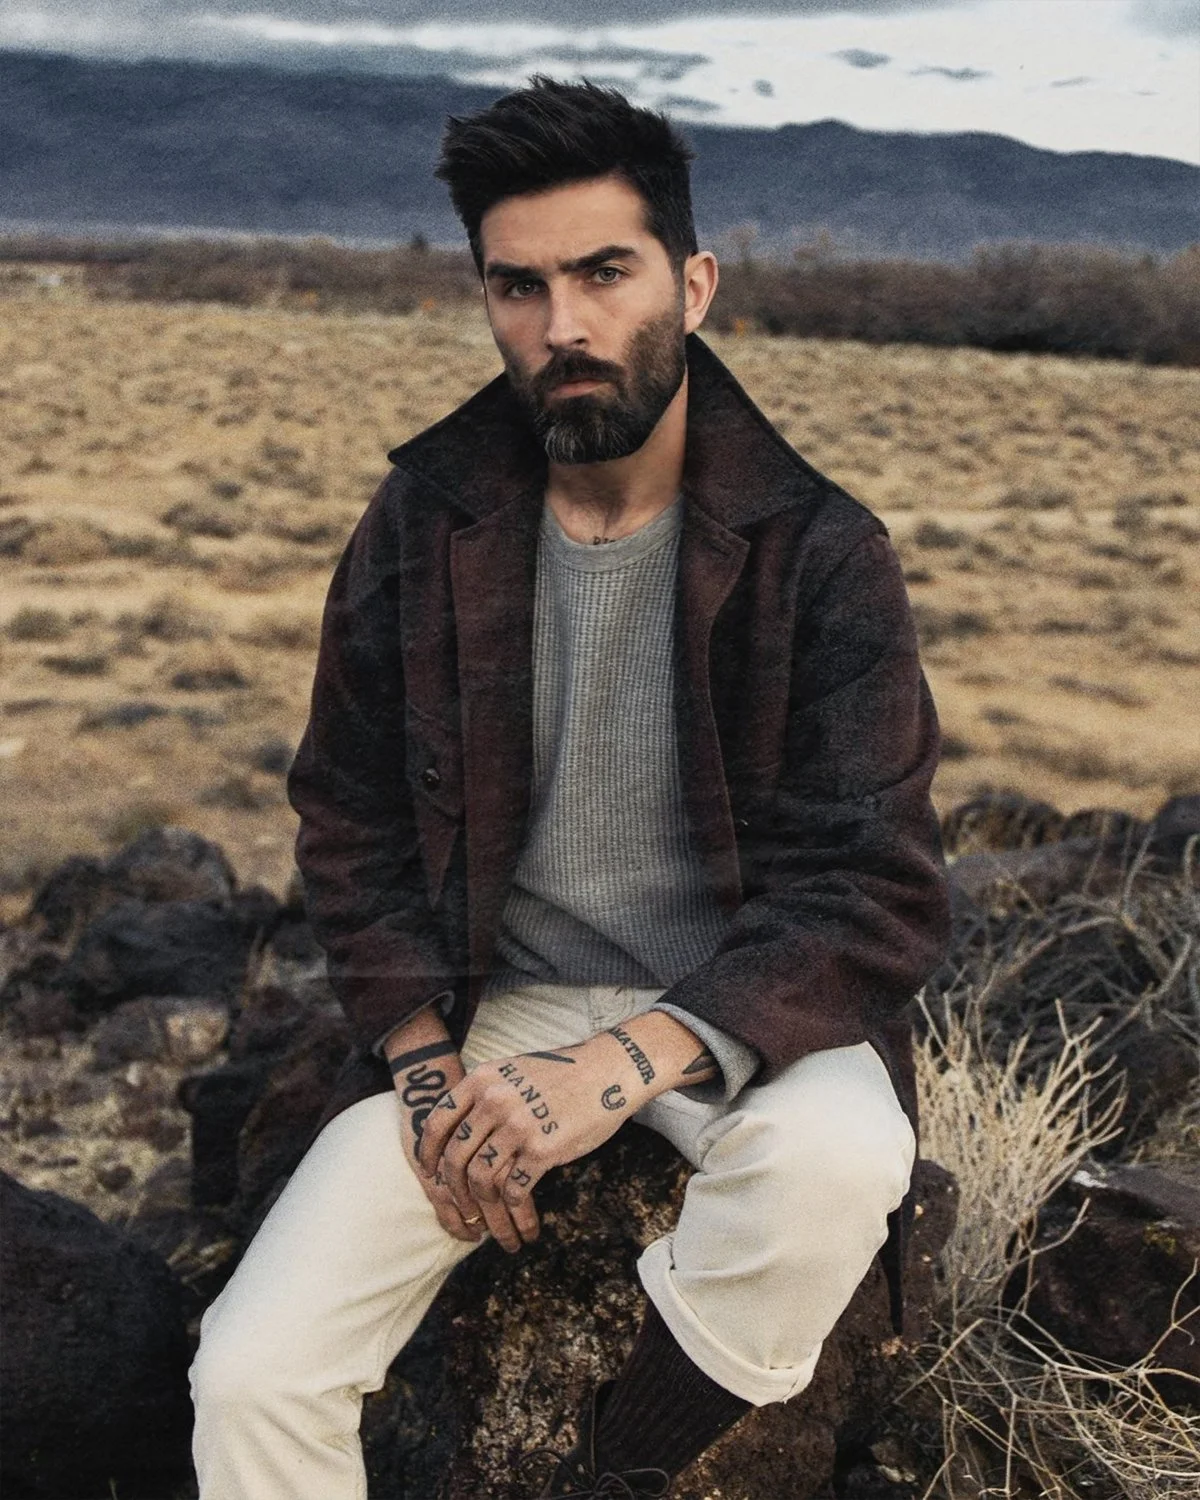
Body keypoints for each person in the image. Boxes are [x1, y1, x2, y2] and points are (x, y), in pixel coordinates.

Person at [188, 75, 951, 1499]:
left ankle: (619, 1464)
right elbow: (344, 810)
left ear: (695, 282)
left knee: (841, 1164)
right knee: (250, 1370)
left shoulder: (819, 548)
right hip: (497, 999)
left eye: (605, 273)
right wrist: (426, 1071)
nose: (566, 329)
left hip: (747, 1006)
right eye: (520, 287)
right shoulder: (426, 523)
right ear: (484, 297)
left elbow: (879, 886)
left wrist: (622, 1064)